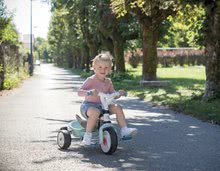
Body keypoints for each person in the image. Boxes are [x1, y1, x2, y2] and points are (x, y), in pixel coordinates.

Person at [77, 52, 137, 145]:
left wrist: (119, 93)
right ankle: (87, 136)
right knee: (95, 112)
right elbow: (79, 92)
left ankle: (124, 130)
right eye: (100, 67)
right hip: (89, 106)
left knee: (117, 107)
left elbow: (113, 95)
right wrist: (90, 92)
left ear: (110, 69)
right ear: (94, 68)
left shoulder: (108, 82)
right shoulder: (91, 80)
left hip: (103, 106)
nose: (103, 70)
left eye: (106, 67)